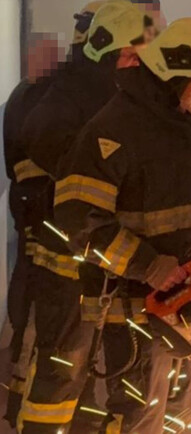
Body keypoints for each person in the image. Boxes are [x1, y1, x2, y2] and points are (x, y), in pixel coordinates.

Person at [54, 18, 191, 432]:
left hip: (190, 296)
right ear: (177, 75)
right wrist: (147, 265)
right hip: (132, 310)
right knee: (140, 415)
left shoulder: (187, 127)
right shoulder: (110, 133)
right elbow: (80, 221)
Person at [16, 2, 155, 433]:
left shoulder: (115, 95)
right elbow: (60, 166)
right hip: (68, 265)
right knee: (62, 370)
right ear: (104, 49)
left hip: (110, 260)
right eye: (130, 55)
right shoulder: (62, 101)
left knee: (120, 372)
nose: (137, 65)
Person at [2, 34, 63, 428]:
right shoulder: (28, 99)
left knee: (28, 293)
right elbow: (23, 160)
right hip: (33, 210)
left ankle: (17, 396)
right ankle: (19, 397)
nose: (54, 64)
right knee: (29, 296)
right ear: (31, 59)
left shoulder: (29, 95)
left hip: (31, 207)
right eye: (47, 56)